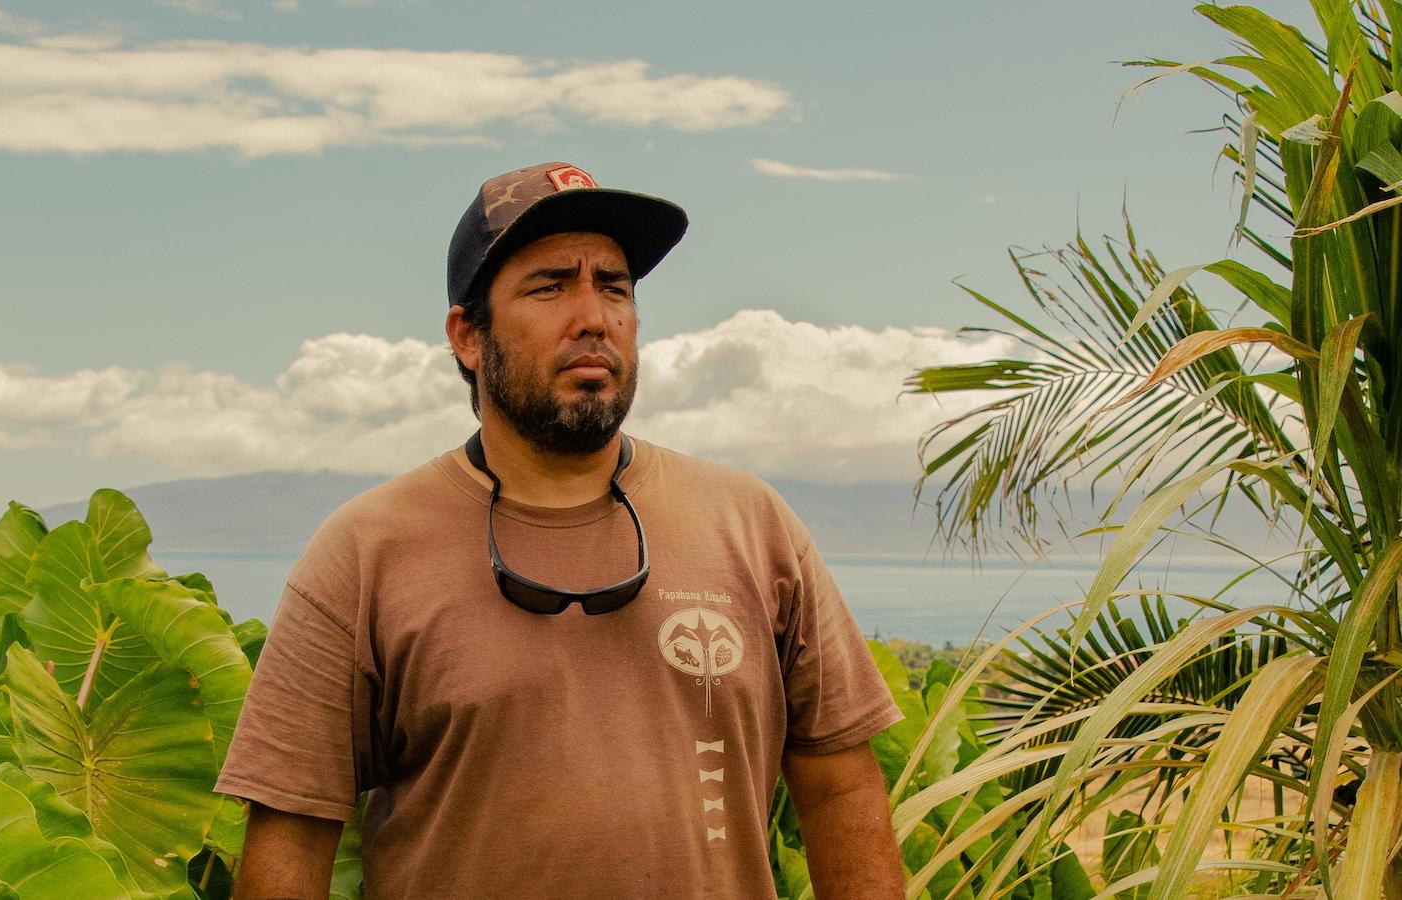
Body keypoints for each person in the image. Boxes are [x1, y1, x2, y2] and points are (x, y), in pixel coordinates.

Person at [216, 161, 906, 899]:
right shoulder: (365, 552)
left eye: (613, 286)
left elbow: (840, 790)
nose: (594, 317)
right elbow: (289, 836)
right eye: (550, 286)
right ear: (468, 337)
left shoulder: (752, 524)